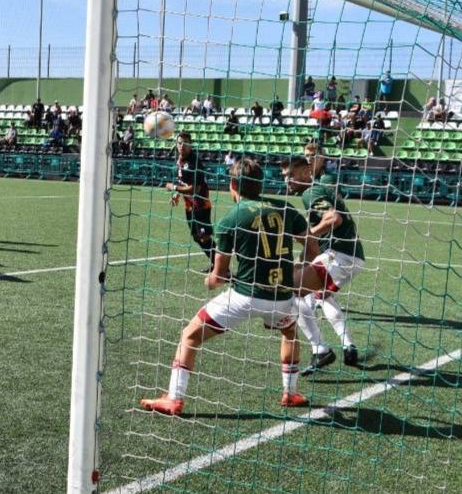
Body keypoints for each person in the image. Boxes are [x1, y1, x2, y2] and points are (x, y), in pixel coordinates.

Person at [140, 158, 325, 415]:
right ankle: (290, 393)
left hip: (245, 297)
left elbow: (218, 276)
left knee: (190, 335)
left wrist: (211, 280)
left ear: (233, 185)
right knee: (290, 333)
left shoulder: (229, 219)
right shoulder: (287, 210)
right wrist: (298, 268)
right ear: (260, 184)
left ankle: (174, 398)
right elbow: (313, 246)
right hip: (282, 297)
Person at [284, 156, 364, 370]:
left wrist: (308, 234)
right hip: (350, 255)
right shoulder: (317, 190)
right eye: (284, 176)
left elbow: (333, 218)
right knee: (321, 295)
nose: (287, 180)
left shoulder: (311, 192)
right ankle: (349, 346)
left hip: (339, 255)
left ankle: (321, 350)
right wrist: (304, 257)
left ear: (304, 172)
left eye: (290, 175)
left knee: (292, 290)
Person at [166, 132, 214, 269]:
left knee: (204, 237)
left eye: (185, 143)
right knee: (197, 237)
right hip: (189, 207)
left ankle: (222, 269)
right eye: (179, 143)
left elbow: (195, 190)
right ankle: (216, 264)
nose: (182, 146)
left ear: (190, 144)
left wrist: (173, 187)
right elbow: (182, 180)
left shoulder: (195, 162)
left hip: (201, 206)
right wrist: (176, 194)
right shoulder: (179, 159)